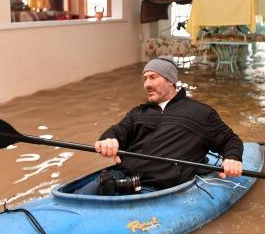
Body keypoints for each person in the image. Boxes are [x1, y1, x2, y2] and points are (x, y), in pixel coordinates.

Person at [93, 56, 244, 192]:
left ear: (170, 80)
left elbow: (230, 140)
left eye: (152, 77)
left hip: (160, 189)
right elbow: (118, 131)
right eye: (145, 79)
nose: (147, 84)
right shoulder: (138, 112)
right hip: (123, 178)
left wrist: (232, 157)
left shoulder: (200, 113)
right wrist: (109, 139)